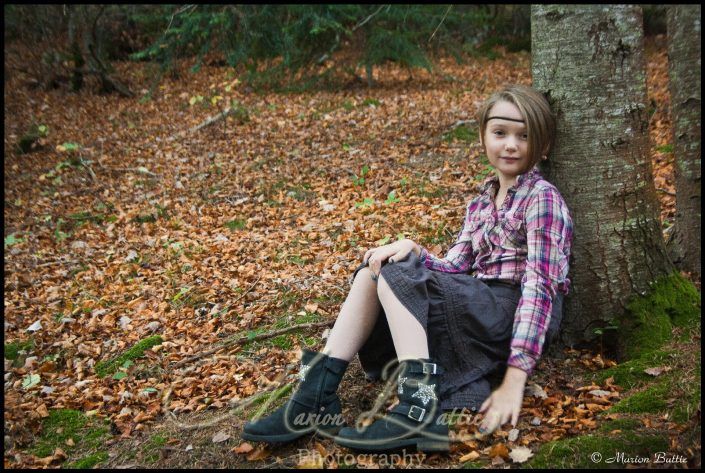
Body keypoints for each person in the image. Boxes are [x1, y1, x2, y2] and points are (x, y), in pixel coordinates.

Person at [241, 84, 573, 453]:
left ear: (542, 146)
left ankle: (418, 410)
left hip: (511, 311)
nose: (510, 144)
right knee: (376, 269)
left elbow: (540, 287)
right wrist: (413, 248)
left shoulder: (542, 198)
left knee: (399, 275)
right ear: (483, 137)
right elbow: (455, 266)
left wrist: (516, 377)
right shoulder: (481, 202)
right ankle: (313, 397)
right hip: (480, 304)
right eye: (500, 133)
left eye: (523, 136)